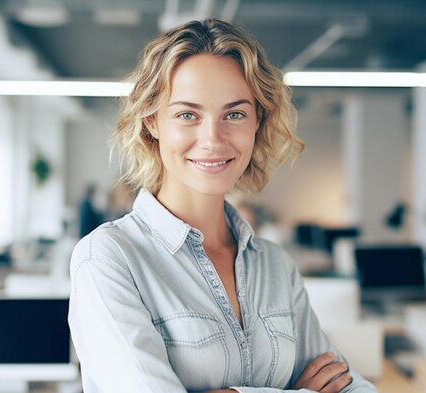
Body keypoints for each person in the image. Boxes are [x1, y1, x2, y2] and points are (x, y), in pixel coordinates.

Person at [69, 19, 377, 393]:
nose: (212, 139)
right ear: (152, 121)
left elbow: (352, 387)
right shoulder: (108, 259)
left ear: (256, 121)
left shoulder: (275, 265)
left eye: (234, 114)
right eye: (187, 115)